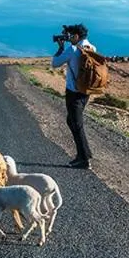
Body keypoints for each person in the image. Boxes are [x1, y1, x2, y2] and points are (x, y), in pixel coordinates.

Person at [51, 24, 95, 169]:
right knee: (72, 121)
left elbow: (55, 64)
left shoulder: (73, 49)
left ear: (77, 36)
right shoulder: (92, 48)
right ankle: (83, 154)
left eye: (70, 36)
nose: (69, 39)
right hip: (86, 92)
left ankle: (84, 160)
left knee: (77, 125)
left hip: (73, 93)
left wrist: (60, 47)